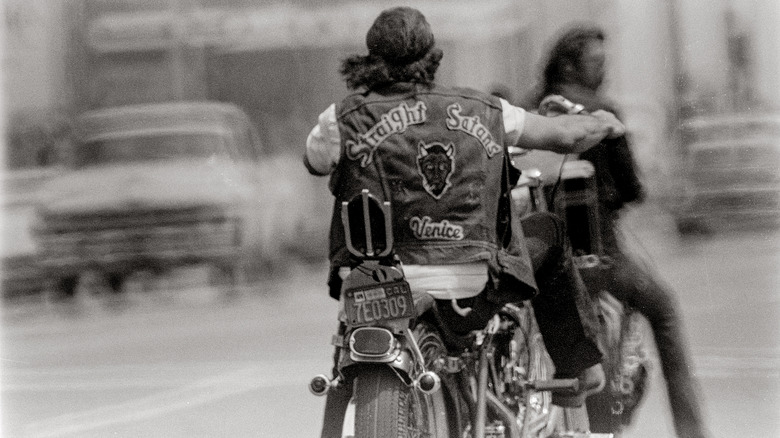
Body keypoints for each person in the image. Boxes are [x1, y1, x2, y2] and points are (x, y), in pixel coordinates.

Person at [304, 8, 625, 434]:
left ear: (372, 58)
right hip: (470, 289)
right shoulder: (485, 110)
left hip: (376, 284)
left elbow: (315, 161)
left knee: (347, 352)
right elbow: (565, 136)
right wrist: (599, 121)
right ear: (431, 57)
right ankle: (580, 369)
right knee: (547, 227)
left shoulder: (340, 119)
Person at [525, 24, 710, 438]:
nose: (603, 71)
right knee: (662, 311)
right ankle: (692, 429)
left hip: (539, 251)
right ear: (572, 62)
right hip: (601, 255)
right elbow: (633, 189)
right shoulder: (601, 114)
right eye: (596, 62)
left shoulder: (530, 108)